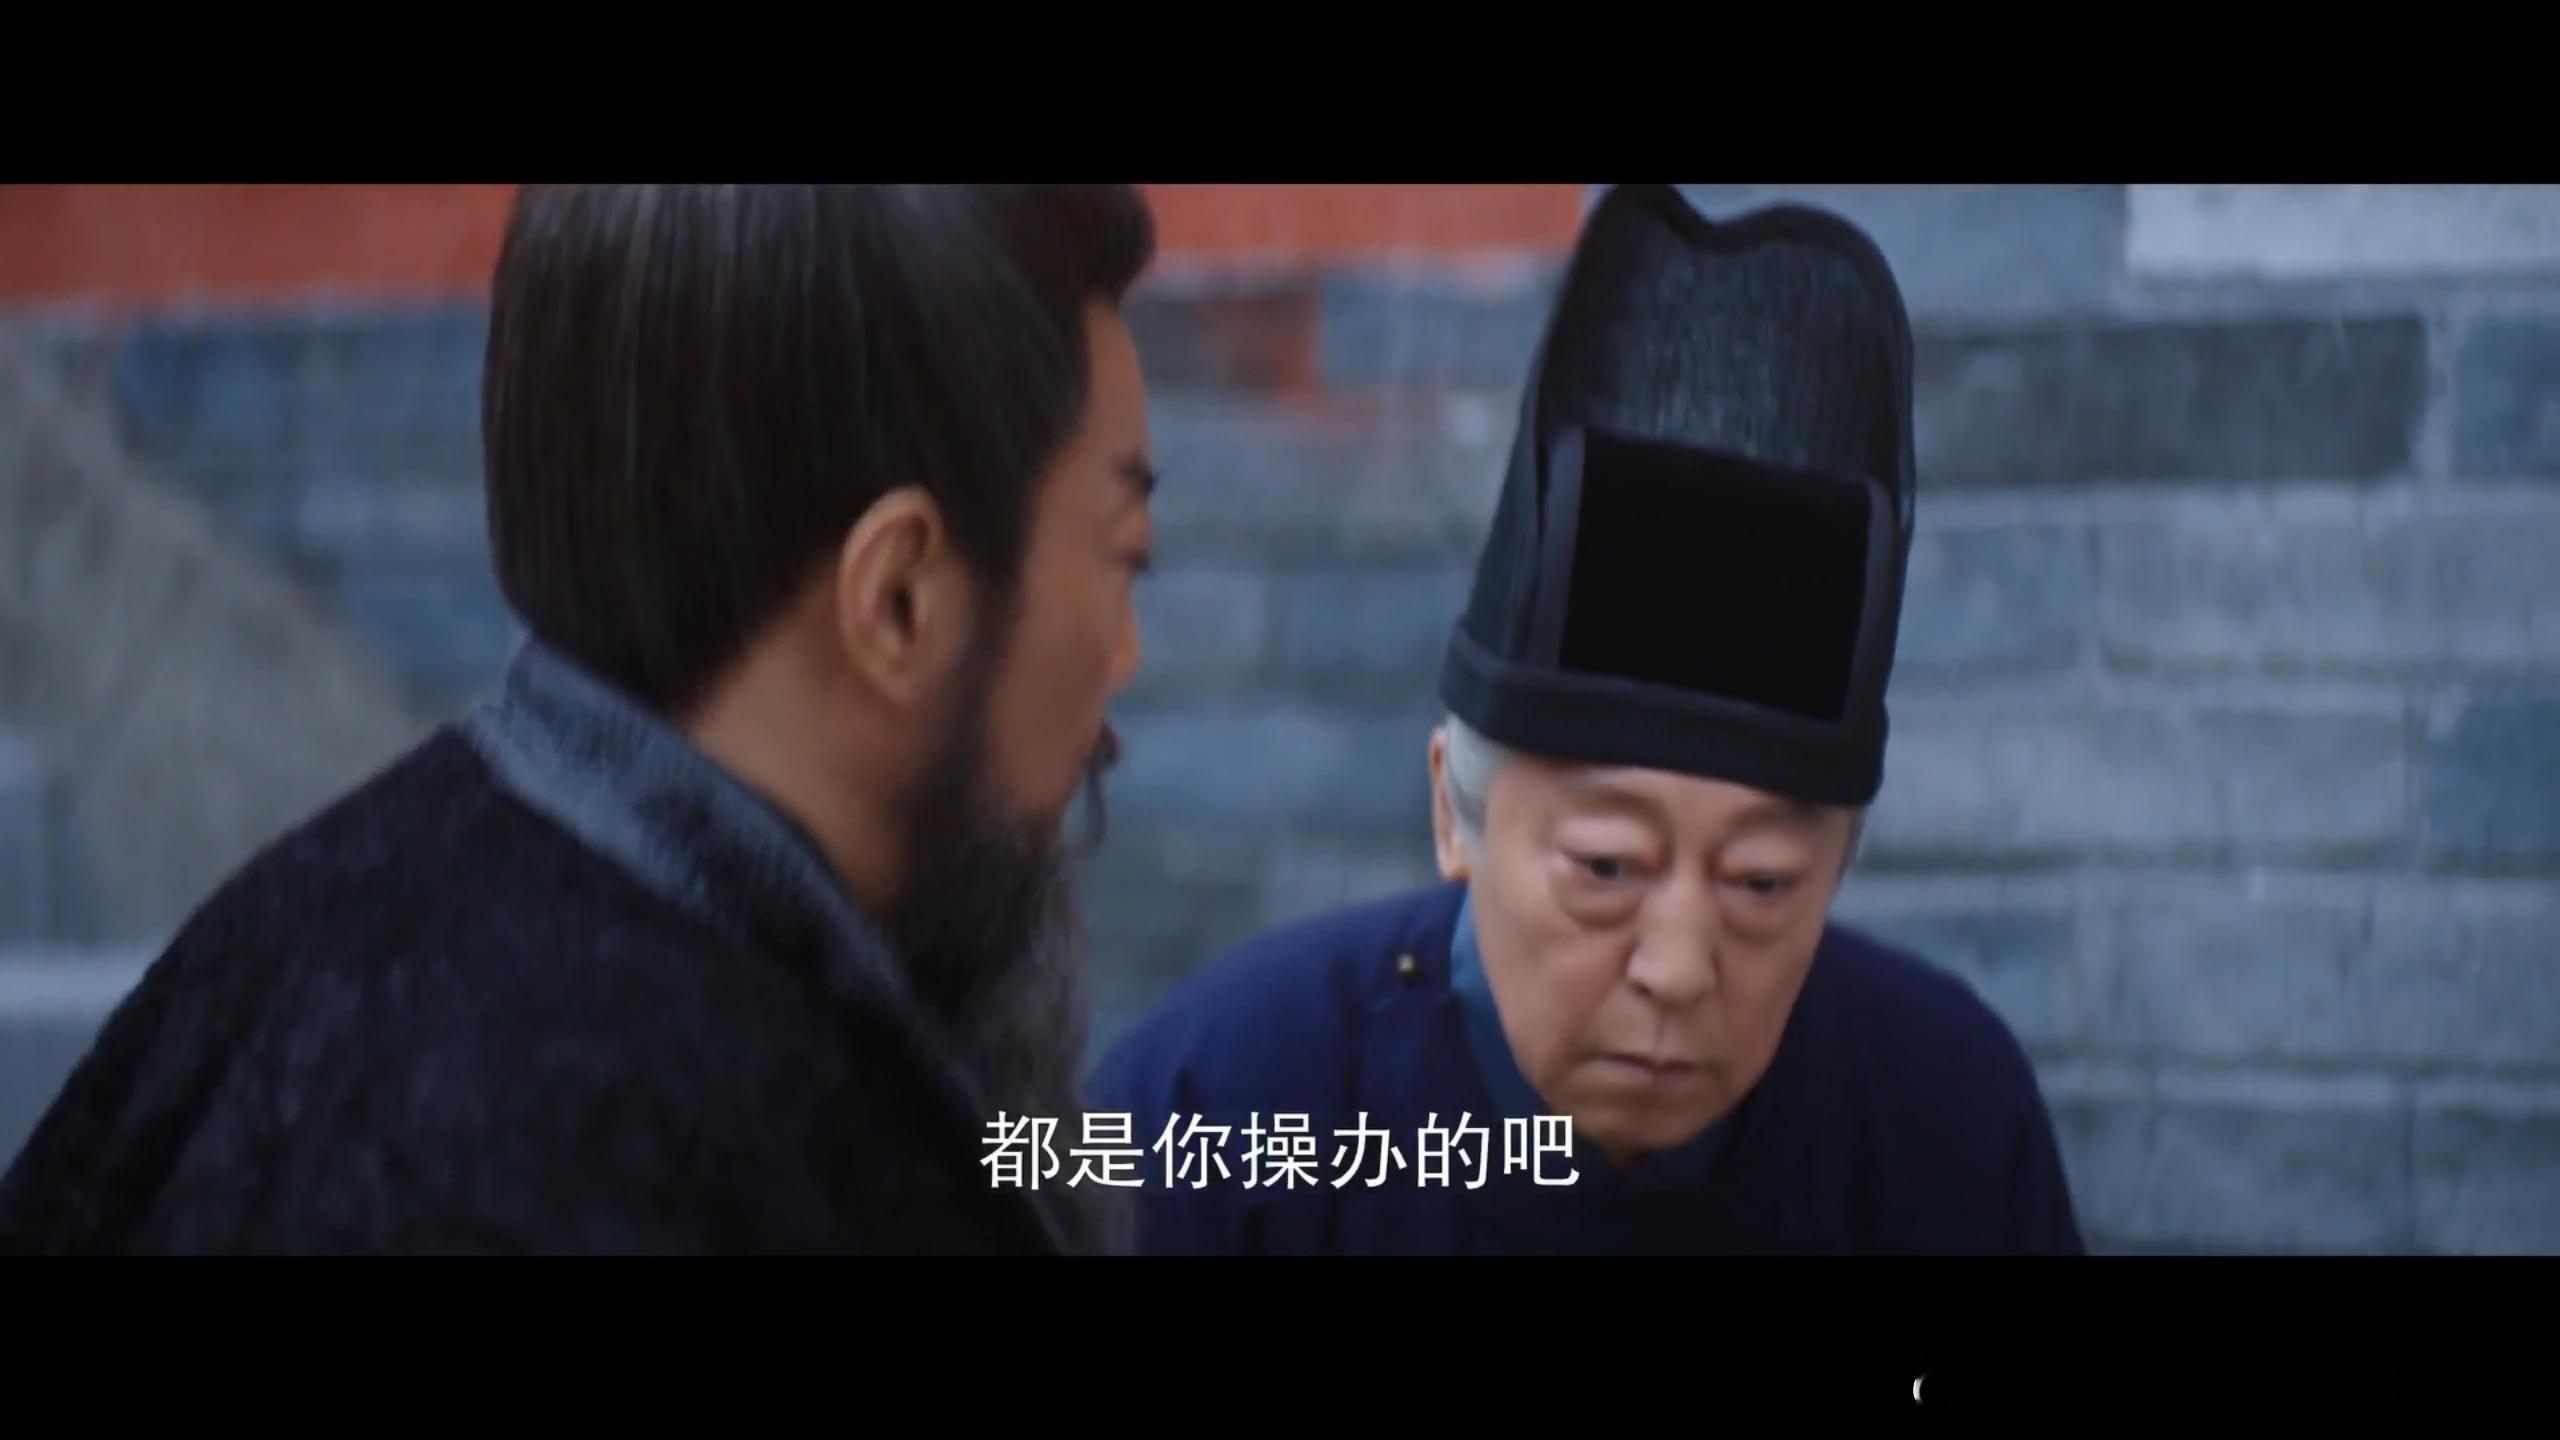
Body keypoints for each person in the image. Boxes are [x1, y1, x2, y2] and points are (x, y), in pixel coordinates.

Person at [0, 184, 1161, 1255]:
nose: (1124, 657)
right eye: (1122, 559)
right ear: (900, 597)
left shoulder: (287, 938)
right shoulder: (696, 1148)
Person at [1086, 184, 2084, 1255]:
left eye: (1761, 883)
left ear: (1838, 865)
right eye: (1606, 867)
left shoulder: (1944, 1116)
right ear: (1452, 813)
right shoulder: (1208, 1111)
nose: (1677, 968)